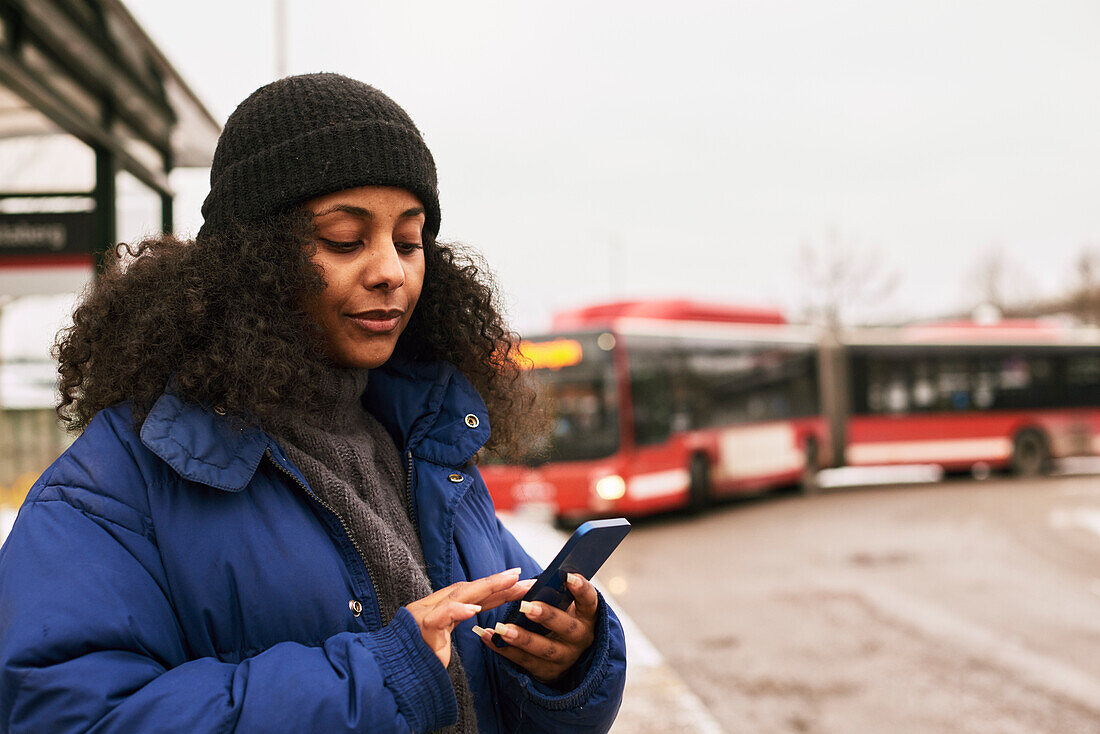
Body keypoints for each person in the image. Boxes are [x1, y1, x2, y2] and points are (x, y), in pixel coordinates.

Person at [0, 73, 626, 733]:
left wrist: (567, 662)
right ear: (252, 261)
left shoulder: (429, 440)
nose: (391, 270)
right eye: (346, 240)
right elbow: (65, 716)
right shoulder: (111, 490)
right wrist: (380, 681)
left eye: (409, 242)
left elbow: (503, 655)